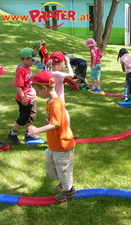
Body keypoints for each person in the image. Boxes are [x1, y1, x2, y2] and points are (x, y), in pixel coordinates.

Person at [28, 71, 76, 202]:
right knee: (50, 163)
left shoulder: (55, 104)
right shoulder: (50, 100)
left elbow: (55, 124)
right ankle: (63, 181)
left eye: (37, 91)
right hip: (53, 143)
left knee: (63, 168)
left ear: (44, 88)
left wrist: (37, 130)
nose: (37, 94)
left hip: (62, 144)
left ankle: (69, 190)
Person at [7, 47, 40, 145]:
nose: (34, 62)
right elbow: (18, 86)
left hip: (31, 97)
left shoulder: (27, 68)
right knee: (23, 118)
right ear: (25, 59)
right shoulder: (21, 70)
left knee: (31, 116)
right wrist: (23, 97)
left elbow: (28, 82)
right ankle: (13, 134)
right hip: (24, 99)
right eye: (32, 60)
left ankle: (28, 133)